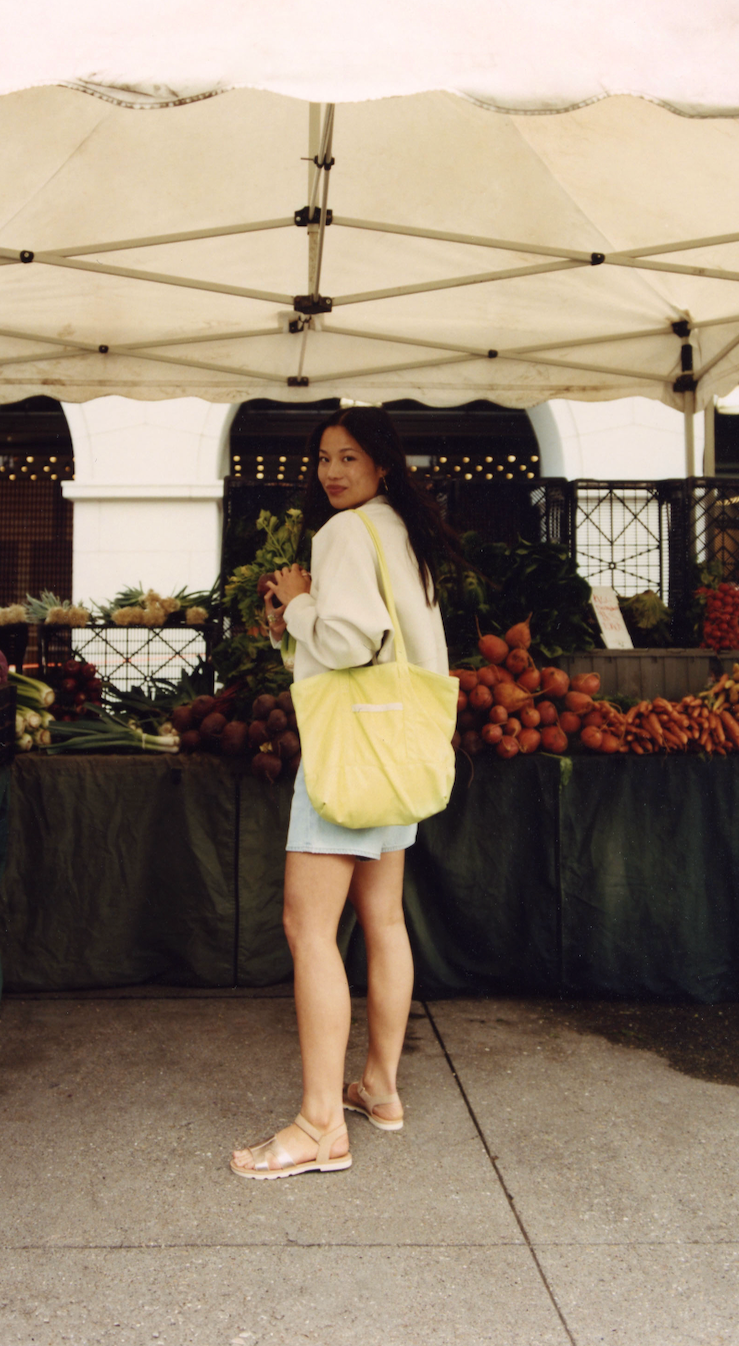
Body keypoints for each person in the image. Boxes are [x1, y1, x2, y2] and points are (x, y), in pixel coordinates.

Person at [230, 407, 459, 1181]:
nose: (332, 472)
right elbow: (380, 637)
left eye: (349, 458)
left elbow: (353, 640)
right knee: (384, 919)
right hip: (398, 752)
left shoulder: (344, 534)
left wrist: (297, 601)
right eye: (324, 458)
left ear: (382, 464)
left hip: (350, 756)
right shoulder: (401, 533)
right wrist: (295, 618)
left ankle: (321, 1123)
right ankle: (382, 1090)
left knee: (307, 927)